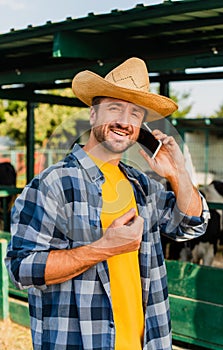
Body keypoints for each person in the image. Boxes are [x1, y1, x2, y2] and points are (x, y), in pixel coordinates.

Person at [5, 57, 209, 350]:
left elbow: (192, 224)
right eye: (115, 108)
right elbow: (21, 268)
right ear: (92, 115)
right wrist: (103, 249)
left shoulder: (142, 185)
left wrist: (177, 173)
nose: (125, 122)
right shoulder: (52, 184)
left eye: (135, 114)